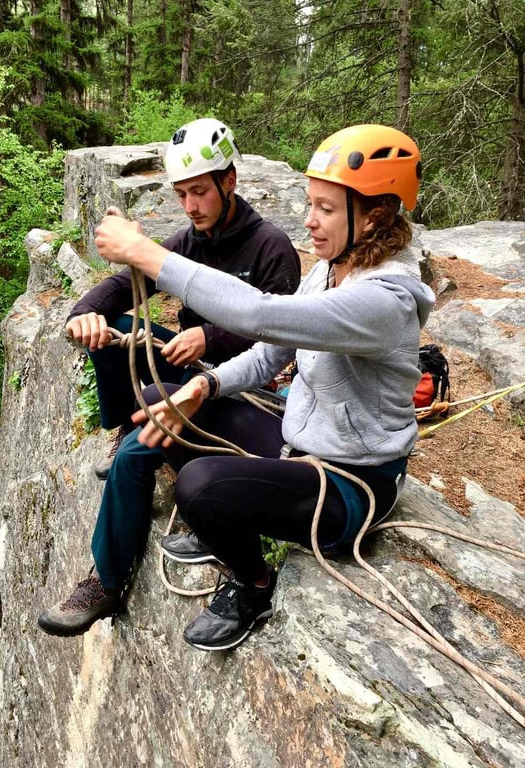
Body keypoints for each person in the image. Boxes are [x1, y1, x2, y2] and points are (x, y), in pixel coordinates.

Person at [38, 124, 435, 653]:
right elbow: (273, 352)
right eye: (310, 205)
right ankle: (133, 563)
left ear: (376, 215)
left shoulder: (385, 299)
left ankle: (252, 582)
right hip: (302, 448)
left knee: (200, 486)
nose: (309, 221)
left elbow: (258, 314)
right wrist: (204, 387)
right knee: (161, 403)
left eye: (326, 209)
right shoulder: (332, 271)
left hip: (349, 485)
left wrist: (145, 253)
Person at [66, 117, 301, 478]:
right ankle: (124, 428)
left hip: (242, 380)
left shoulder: (272, 248)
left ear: (229, 181)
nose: (190, 206)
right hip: (188, 360)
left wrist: (208, 337)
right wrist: (83, 313)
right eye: (181, 194)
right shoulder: (188, 241)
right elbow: (122, 287)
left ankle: (157, 436)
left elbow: (282, 332)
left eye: (199, 191)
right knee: (112, 328)